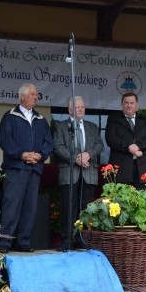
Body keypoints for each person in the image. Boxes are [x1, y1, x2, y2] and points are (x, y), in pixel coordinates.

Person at [0, 83, 53, 253]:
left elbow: (48, 142)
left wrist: (40, 155)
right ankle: (5, 243)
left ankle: (24, 242)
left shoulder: (41, 119)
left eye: (36, 95)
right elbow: (4, 140)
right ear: (22, 96)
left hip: (34, 169)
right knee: (11, 205)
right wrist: (21, 154)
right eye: (32, 94)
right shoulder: (10, 116)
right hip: (16, 168)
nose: (36, 97)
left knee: (30, 207)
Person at [52, 96, 104, 251]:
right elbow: (58, 147)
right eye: (77, 107)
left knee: (86, 208)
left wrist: (88, 155)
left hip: (88, 173)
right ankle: (67, 240)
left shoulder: (92, 126)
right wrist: (75, 159)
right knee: (69, 208)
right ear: (69, 110)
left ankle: (82, 239)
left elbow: (99, 144)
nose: (80, 109)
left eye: (82, 107)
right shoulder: (61, 126)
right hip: (69, 173)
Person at [105, 91, 146, 188]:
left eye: (132, 103)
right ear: (122, 104)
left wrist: (139, 146)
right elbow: (110, 139)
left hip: (143, 167)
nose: (129, 106)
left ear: (136, 104)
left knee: (142, 201)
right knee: (121, 200)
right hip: (122, 168)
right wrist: (129, 147)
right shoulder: (113, 119)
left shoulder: (145, 119)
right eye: (126, 103)